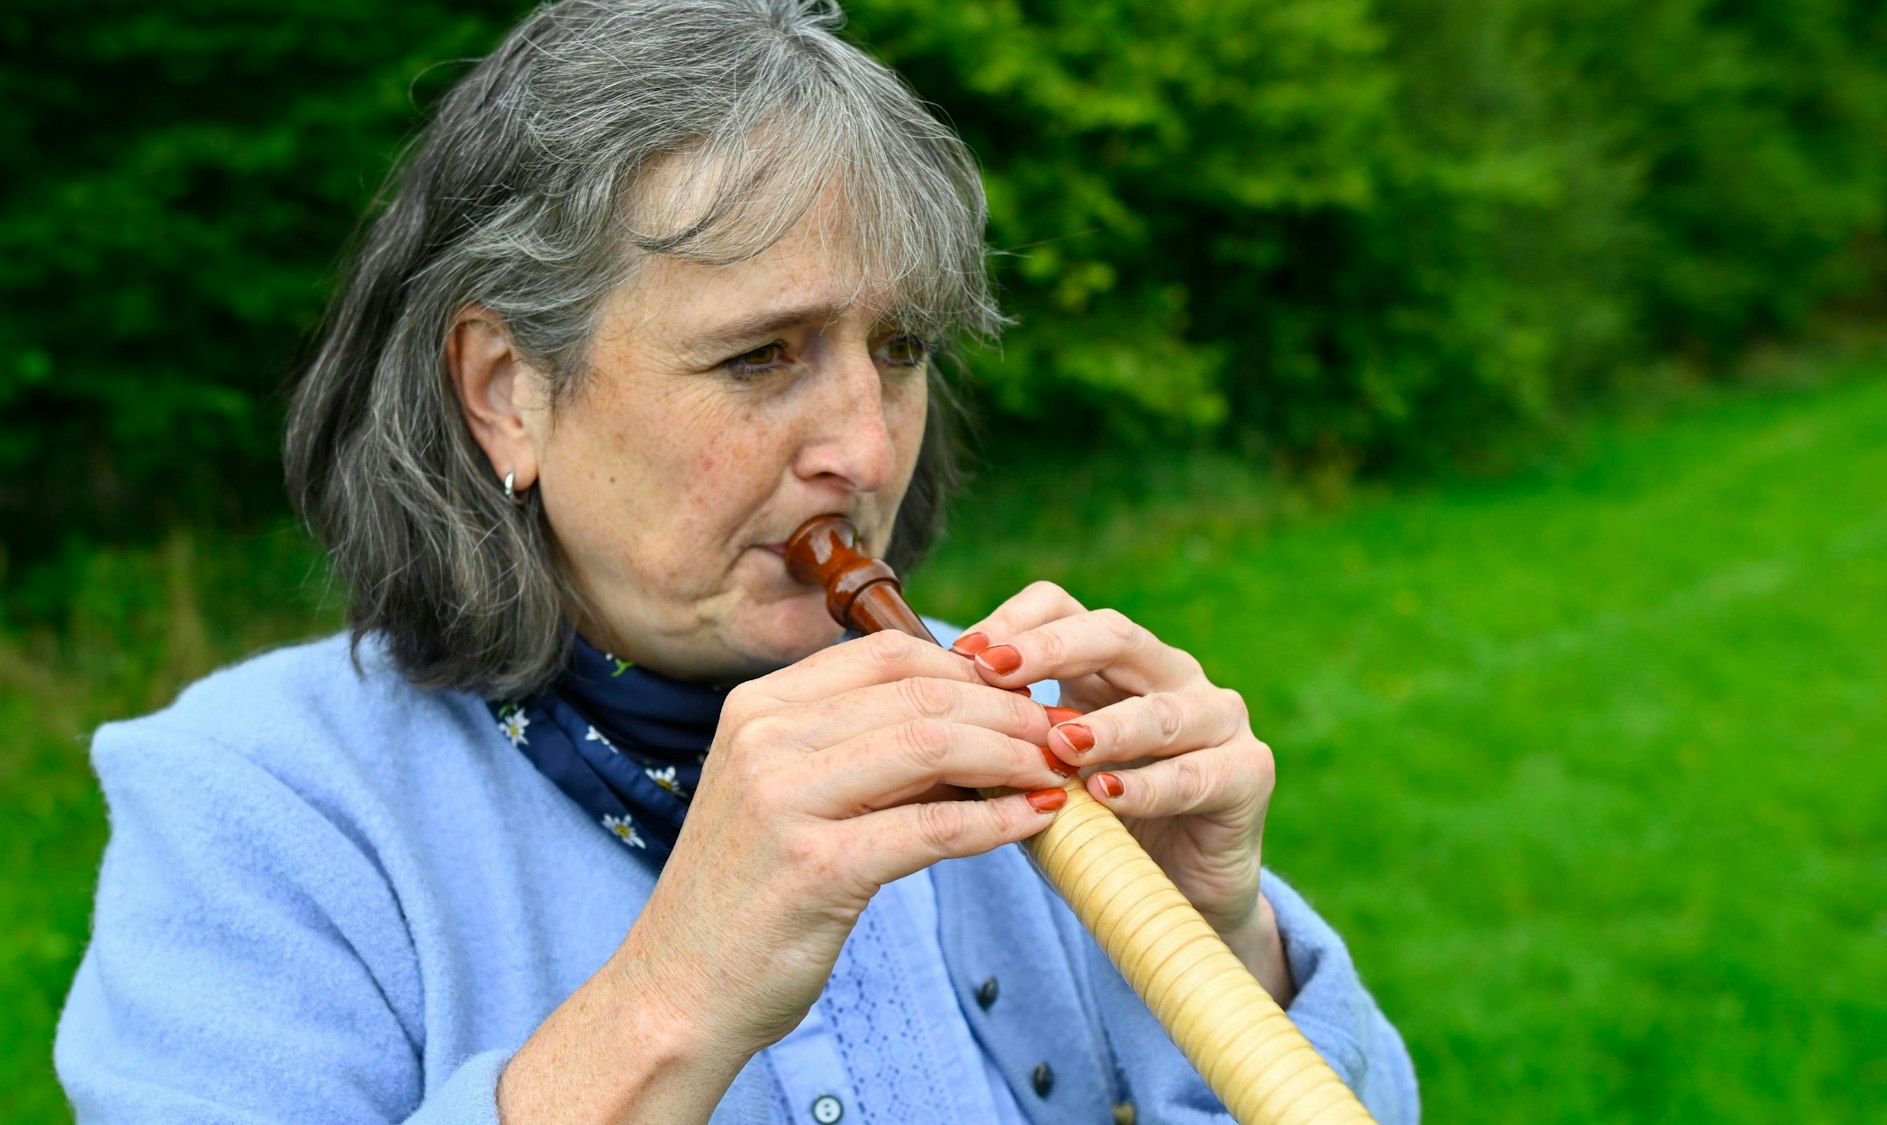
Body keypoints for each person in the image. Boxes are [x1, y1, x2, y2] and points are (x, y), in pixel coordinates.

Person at [55, 1, 1419, 1121]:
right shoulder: (260, 803)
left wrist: (1221, 938)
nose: (866, 449)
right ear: (506, 392)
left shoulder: (1013, 723)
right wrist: (673, 996)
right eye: (761, 354)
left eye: (896, 351)